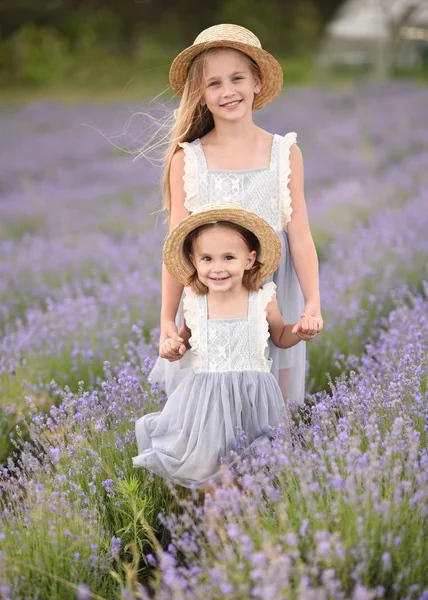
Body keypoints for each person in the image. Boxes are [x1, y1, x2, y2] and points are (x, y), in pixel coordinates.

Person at [150, 23, 323, 406]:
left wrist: (312, 303)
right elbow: (176, 244)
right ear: (200, 95)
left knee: (271, 400)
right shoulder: (189, 157)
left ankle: (269, 463)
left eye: (237, 78)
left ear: (257, 82)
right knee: (210, 398)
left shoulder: (284, 153)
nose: (228, 91)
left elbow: (300, 234)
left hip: (275, 294)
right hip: (213, 298)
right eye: (214, 84)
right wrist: (167, 319)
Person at [133, 204, 317, 490]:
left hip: (253, 400)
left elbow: (280, 336)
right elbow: (183, 341)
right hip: (208, 402)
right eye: (207, 258)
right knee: (214, 475)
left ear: (249, 259)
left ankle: (249, 525)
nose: (217, 268)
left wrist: (299, 331)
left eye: (229, 257)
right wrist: (173, 346)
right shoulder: (195, 301)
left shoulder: (262, 298)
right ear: (193, 261)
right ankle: (214, 526)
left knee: (254, 473)